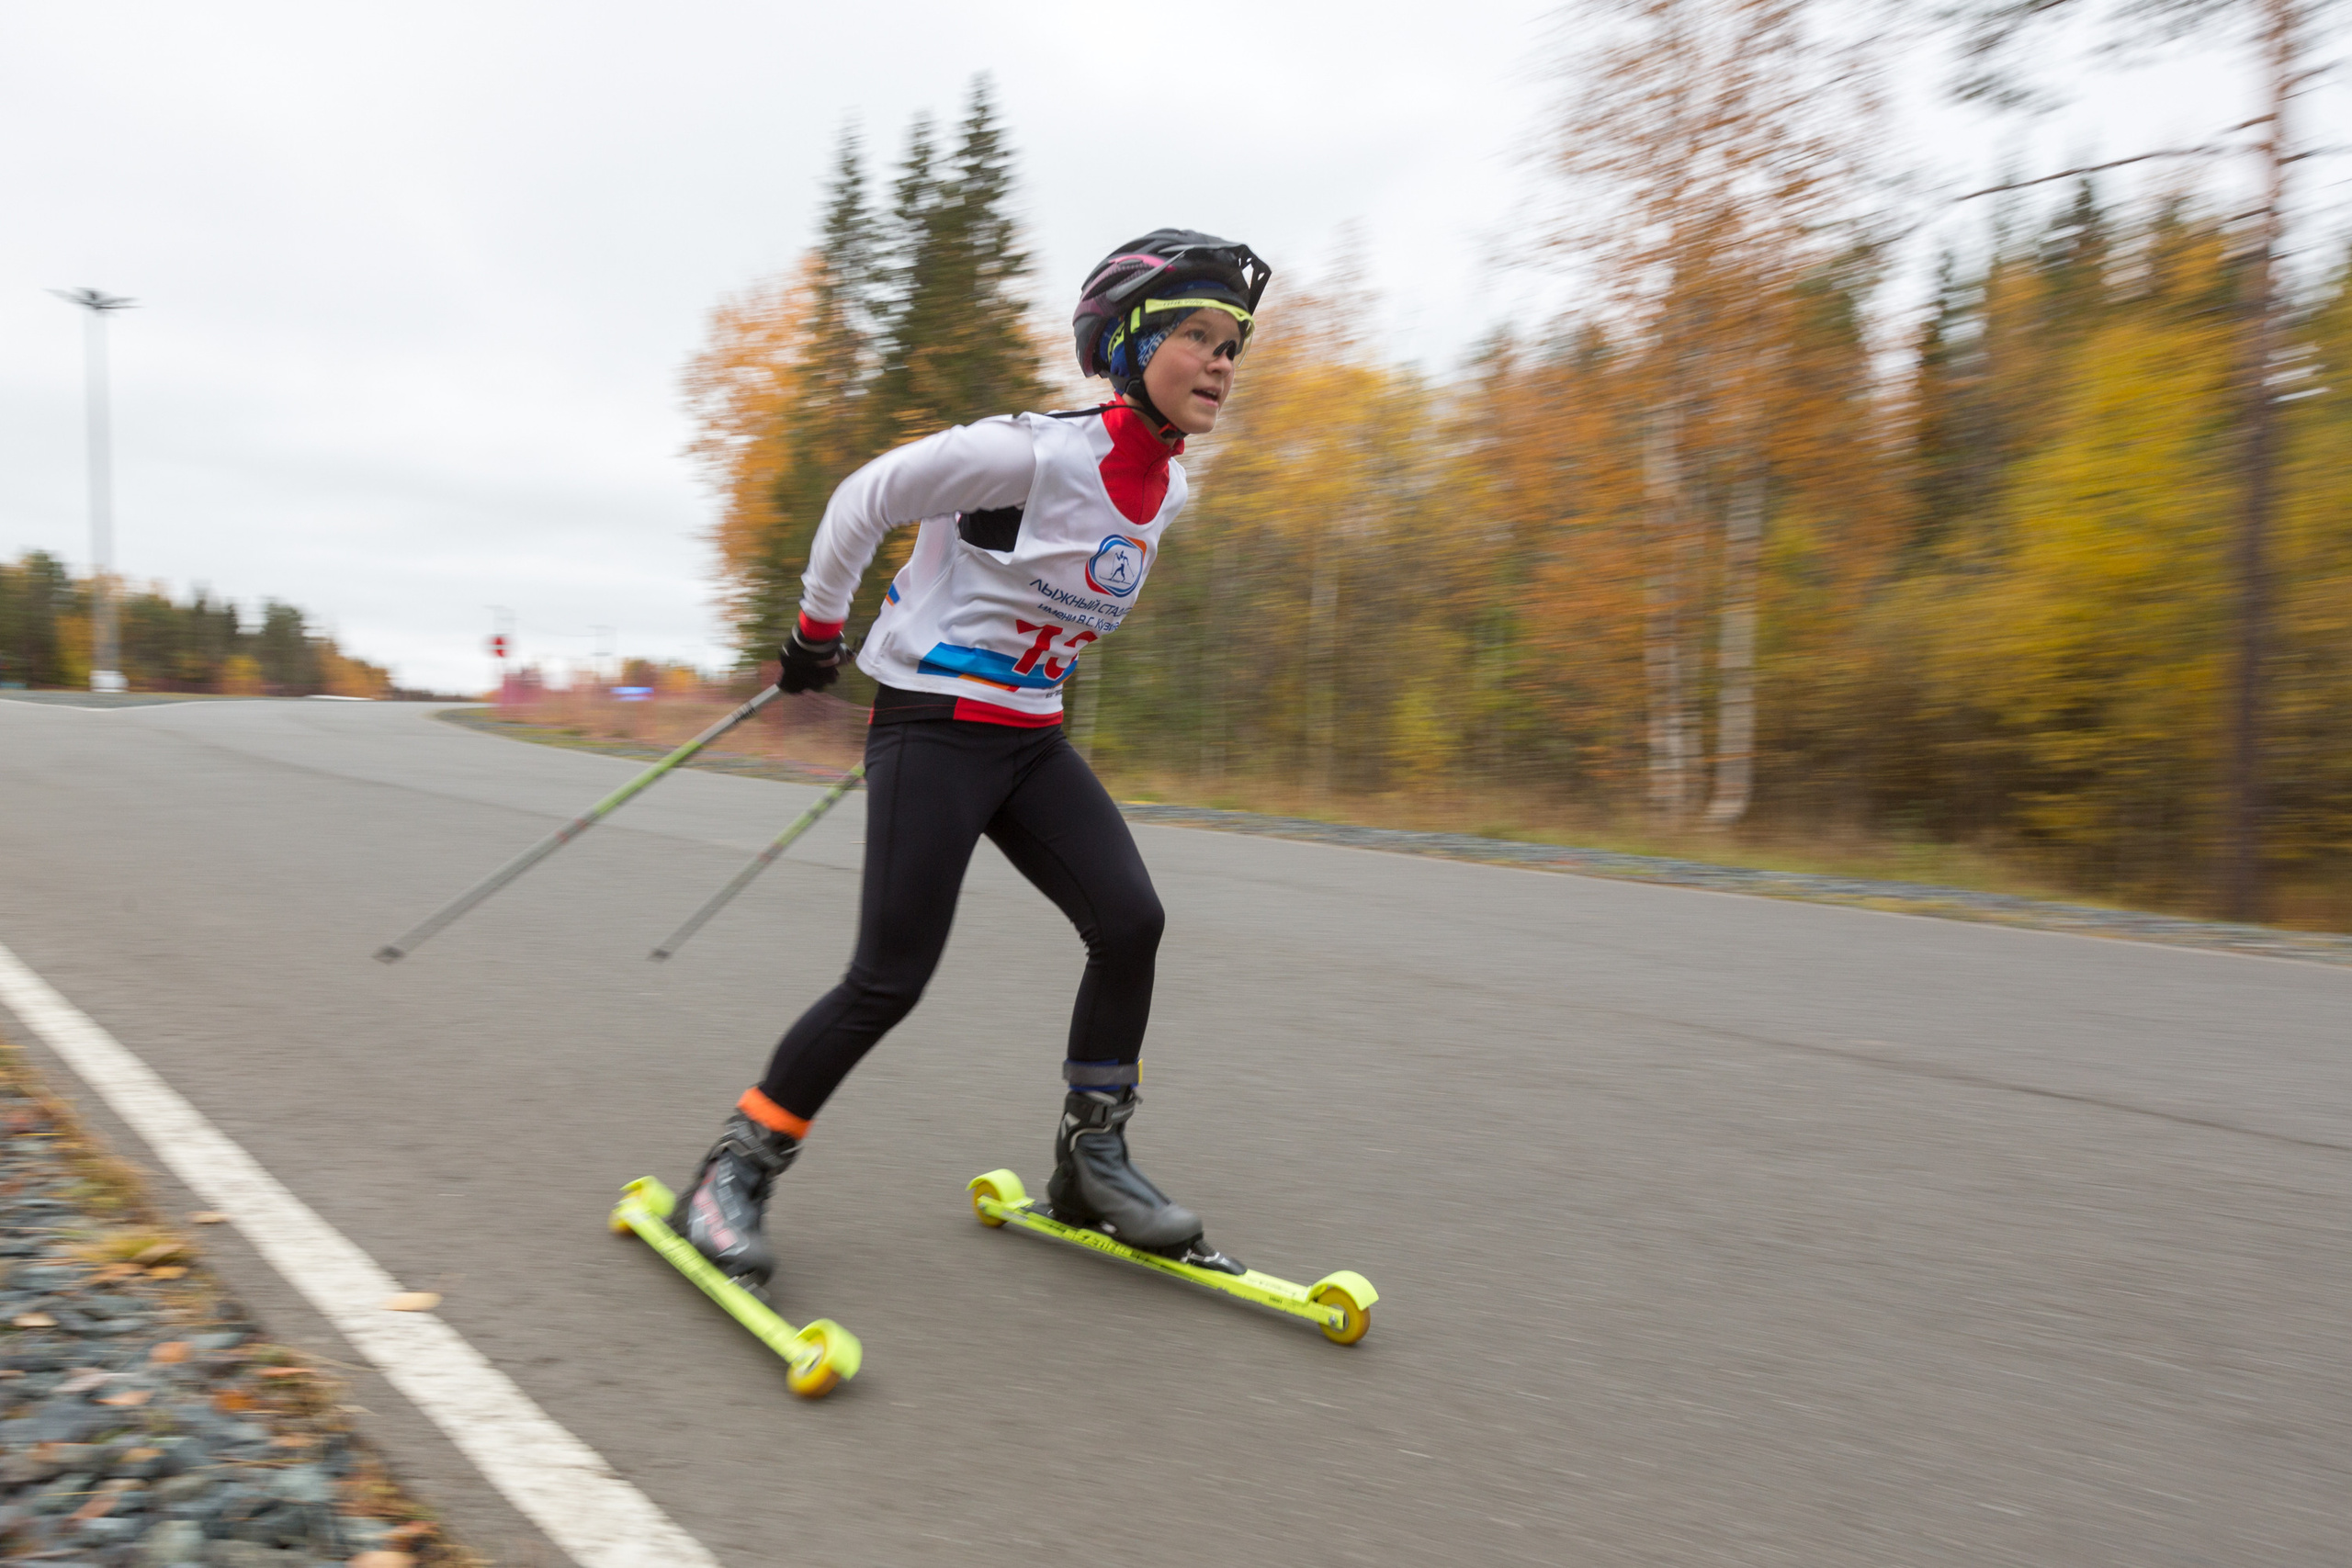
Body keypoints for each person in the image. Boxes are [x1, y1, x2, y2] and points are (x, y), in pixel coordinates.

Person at [678, 230, 1272, 1294]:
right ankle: (733, 1171)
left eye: (1233, 343)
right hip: (935, 729)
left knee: (1130, 921)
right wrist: (819, 633)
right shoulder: (1028, 454)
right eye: (1197, 335)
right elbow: (865, 496)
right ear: (1128, 345)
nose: (1223, 361)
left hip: (1027, 738)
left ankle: (1092, 1163)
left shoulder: (1168, 493)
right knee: (889, 977)